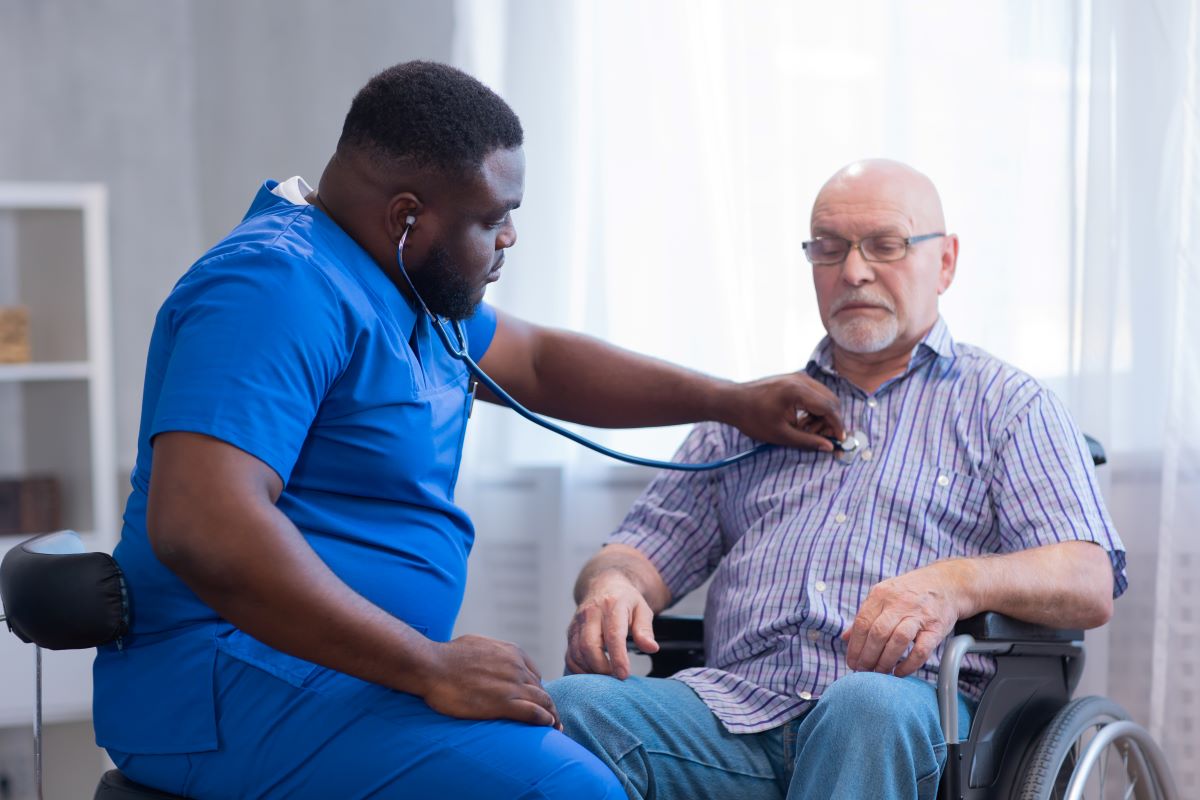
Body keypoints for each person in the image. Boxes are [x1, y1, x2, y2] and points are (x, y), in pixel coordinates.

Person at [92, 62, 847, 800]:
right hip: (225, 686)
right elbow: (203, 529)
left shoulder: (399, 285)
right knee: (569, 789)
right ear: (406, 216)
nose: (510, 237)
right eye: (492, 218)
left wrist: (730, 399)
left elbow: (543, 365)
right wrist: (428, 665)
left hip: (330, 678)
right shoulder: (273, 287)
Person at [547, 159, 1127, 800]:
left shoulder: (1009, 406)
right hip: (733, 713)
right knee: (568, 706)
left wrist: (958, 582)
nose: (853, 271)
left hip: (908, 715)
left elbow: (1088, 577)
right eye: (829, 248)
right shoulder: (749, 415)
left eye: (886, 245)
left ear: (946, 262)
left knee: (864, 709)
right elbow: (636, 553)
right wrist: (612, 588)